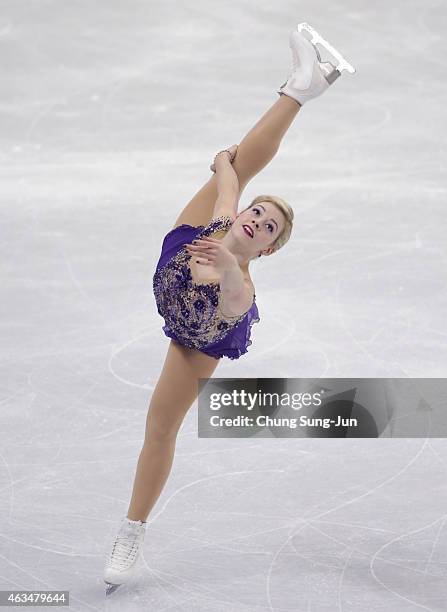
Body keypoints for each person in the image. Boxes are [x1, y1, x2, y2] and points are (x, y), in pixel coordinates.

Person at [103, 24, 353, 594]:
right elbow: (228, 186)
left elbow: (226, 284)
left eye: (267, 227)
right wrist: (223, 164)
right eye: (258, 213)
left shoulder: (239, 283)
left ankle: (132, 528)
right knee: (240, 163)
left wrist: (224, 259)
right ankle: (299, 90)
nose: (257, 220)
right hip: (183, 260)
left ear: (266, 248)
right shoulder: (220, 220)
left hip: (197, 334)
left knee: (159, 428)